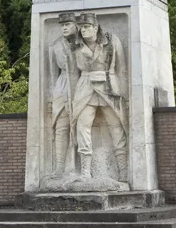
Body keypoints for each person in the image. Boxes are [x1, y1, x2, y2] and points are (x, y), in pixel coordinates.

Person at [70, 12, 128, 181]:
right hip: (85, 88)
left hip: (109, 86)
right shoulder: (76, 46)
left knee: (117, 128)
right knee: (82, 127)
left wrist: (124, 95)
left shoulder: (111, 41)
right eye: (81, 28)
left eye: (87, 27)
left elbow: (122, 69)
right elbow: (74, 73)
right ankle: (86, 172)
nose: (83, 31)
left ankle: (123, 172)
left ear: (95, 27)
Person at [46, 12, 81, 174]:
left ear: (75, 25)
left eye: (67, 24)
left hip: (81, 85)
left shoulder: (83, 42)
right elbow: (52, 75)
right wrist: (50, 98)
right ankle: (60, 166)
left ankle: (84, 168)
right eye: (62, 25)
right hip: (62, 86)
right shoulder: (56, 46)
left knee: (82, 128)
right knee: (61, 128)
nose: (64, 28)